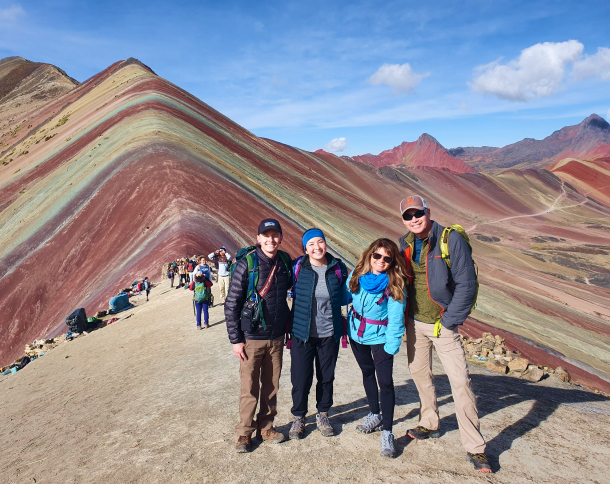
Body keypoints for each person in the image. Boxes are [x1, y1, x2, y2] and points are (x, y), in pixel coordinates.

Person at [398, 195, 491, 473]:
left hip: (442, 324)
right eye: (408, 215)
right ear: (402, 219)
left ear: (428, 212)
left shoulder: (450, 240)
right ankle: (429, 423)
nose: (414, 219)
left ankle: (476, 448)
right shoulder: (404, 244)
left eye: (418, 213)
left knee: (460, 381)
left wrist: (449, 321)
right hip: (415, 323)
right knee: (419, 374)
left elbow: (466, 283)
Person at [225, 219, 292, 453]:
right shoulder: (247, 264)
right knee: (249, 387)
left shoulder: (284, 262)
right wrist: (236, 340)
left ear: (281, 238)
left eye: (275, 235)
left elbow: (288, 295)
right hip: (251, 338)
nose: (271, 239)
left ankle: (266, 427)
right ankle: (244, 433)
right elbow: (231, 303)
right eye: (266, 235)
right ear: (258, 238)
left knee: (272, 386)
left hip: (276, 338)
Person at [347, 238, 408, 458]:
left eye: (387, 258)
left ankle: (388, 432)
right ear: (370, 255)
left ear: (392, 262)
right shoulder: (358, 276)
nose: (381, 261)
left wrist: (390, 348)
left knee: (386, 382)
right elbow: (346, 294)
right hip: (356, 335)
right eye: (377, 256)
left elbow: (396, 319)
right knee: (366, 373)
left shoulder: (394, 285)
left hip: (381, 339)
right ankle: (375, 413)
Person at [288, 228, 348, 440]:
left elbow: (348, 294)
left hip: (329, 334)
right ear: (305, 248)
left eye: (320, 242)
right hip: (301, 334)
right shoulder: (298, 267)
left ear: (326, 244)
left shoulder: (337, 268)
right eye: (311, 244)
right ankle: (299, 416)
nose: (317, 247)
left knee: (326, 378)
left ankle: (323, 414)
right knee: (300, 378)